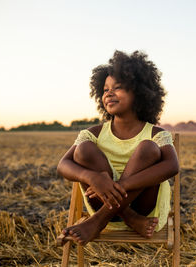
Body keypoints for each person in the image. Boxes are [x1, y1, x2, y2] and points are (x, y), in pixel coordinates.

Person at [57, 50, 179, 246]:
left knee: (148, 148)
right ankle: (128, 217)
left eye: (118, 87)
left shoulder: (155, 134)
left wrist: (120, 187)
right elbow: (63, 165)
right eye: (105, 89)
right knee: (84, 150)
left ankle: (97, 221)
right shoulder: (94, 133)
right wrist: (93, 178)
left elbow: (172, 166)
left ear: (139, 92)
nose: (109, 93)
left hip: (145, 209)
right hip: (108, 209)